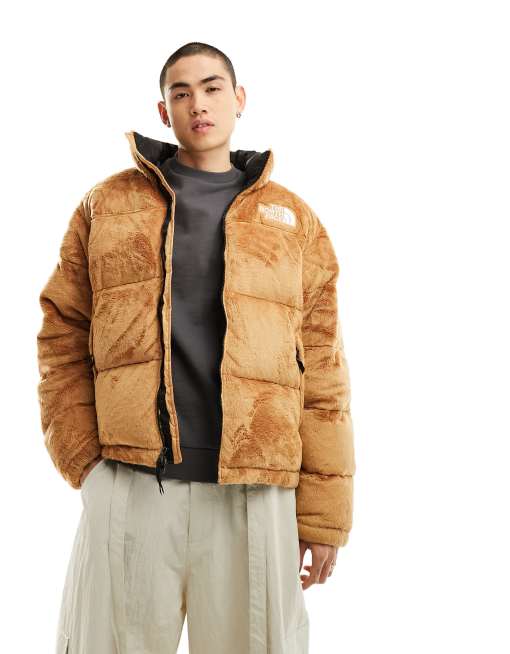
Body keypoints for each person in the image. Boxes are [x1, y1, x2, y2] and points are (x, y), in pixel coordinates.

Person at [36, 41, 356, 654]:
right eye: (180, 94)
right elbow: (62, 333)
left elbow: (324, 372)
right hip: (133, 478)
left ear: (239, 99)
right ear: (164, 112)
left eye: (212, 89)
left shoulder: (293, 221)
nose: (198, 105)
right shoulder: (107, 206)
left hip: (256, 487)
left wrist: (323, 514)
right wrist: (86, 463)